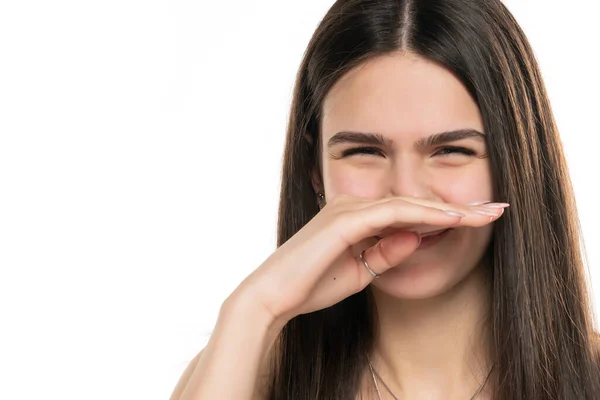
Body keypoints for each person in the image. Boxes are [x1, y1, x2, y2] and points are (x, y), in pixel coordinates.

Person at [170, 0, 600, 398]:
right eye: (364, 152)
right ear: (315, 171)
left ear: (515, 165)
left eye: (452, 150)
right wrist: (256, 306)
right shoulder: (240, 370)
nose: (406, 193)